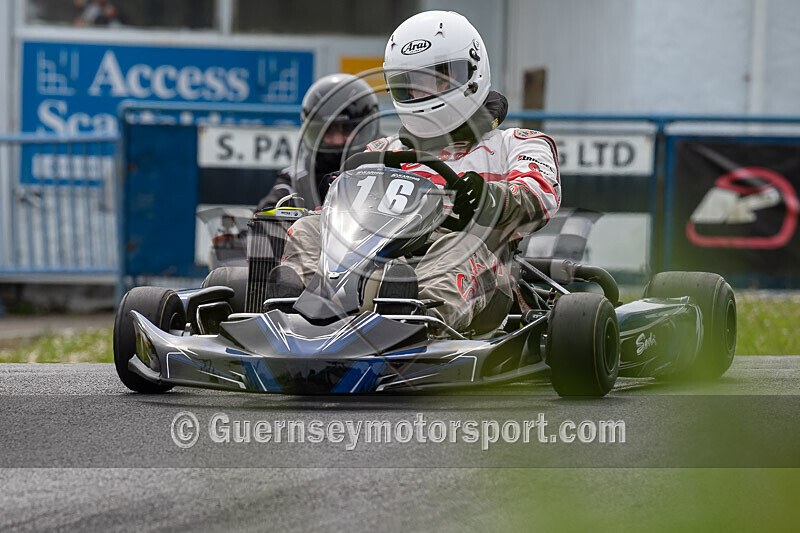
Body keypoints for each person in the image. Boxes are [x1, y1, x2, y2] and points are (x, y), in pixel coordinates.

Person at [271, 10, 561, 333]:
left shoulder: (516, 144)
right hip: (379, 266)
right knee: (311, 226)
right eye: (410, 83)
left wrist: (491, 200)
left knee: (460, 243)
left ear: (472, 72)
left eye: (437, 79)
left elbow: (541, 196)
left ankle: (419, 325)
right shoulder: (381, 152)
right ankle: (295, 314)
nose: (421, 94)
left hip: (482, 275)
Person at [256, 73, 380, 210]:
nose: (337, 140)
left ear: (366, 128)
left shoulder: (391, 168)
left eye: (347, 129)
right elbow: (266, 221)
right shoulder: (295, 181)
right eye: (327, 131)